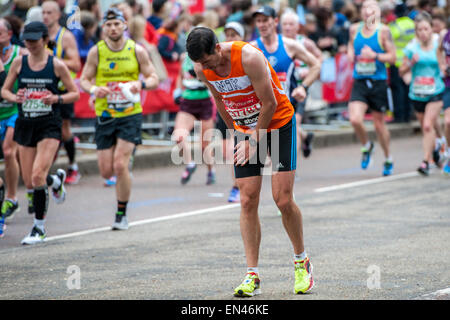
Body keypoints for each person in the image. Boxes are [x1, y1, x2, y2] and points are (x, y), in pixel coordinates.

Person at [186, 26, 316, 297]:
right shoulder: (202, 68)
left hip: (278, 123)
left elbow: (269, 104)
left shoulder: (248, 58)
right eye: (201, 63)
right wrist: (237, 133)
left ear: (218, 48)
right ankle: (252, 275)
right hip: (245, 129)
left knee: (282, 198)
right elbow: (220, 100)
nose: (206, 67)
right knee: (247, 199)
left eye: (209, 61)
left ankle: (301, 261)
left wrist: (253, 142)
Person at [80, 8, 159, 231]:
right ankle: (123, 168)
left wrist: (140, 84)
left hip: (129, 114)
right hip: (104, 114)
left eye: (117, 24)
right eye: (109, 24)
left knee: (119, 164)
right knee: (106, 171)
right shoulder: (97, 51)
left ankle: (121, 214)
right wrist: (95, 89)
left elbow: (153, 77)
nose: (113, 28)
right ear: (103, 27)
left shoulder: (137, 50)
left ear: (125, 25)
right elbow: (84, 80)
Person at [1, 21, 79, 244]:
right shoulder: (19, 62)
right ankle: (55, 181)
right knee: (30, 179)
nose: (31, 44)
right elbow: (5, 90)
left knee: (36, 176)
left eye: (35, 40)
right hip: (26, 123)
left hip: (49, 124)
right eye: (28, 41)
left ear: (45, 40)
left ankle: (39, 228)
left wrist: (56, 98)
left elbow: (74, 93)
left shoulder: (56, 65)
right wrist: (15, 97)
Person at [347, 0, 396, 176]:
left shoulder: (383, 31)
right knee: (354, 119)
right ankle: (367, 145)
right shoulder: (354, 29)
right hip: (360, 80)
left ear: (378, 12)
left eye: (372, 8)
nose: (368, 12)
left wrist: (374, 55)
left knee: (379, 124)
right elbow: (351, 45)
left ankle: (388, 158)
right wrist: (350, 52)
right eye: (365, 8)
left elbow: (392, 57)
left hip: (378, 82)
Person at [400, 12, 445, 176]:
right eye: (419, 30)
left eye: (426, 28)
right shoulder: (411, 47)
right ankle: (440, 142)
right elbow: (401, 70)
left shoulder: (437, 44)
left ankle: (426, 161)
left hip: (437, 90)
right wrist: (411, 63)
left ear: (431, 28)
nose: (423, 32)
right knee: (429, 126)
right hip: (417, 92)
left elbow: (443, 63)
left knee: (427, 125)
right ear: (416, 31)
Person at [42, 1, 82, 185]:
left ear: (58, 15)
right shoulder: (38, 36)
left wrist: (53, 60)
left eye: (49, 12)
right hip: (42, 90)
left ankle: (73, 166)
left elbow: (76, 64)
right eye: (43, 12)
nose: (45, 16)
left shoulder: (65, 37)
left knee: (64, 129)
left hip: (63, 89)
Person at [280, 9, 322, 160]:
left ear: (298, 26)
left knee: (294, 124)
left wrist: (308, 71)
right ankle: (306, 137)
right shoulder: (276, 43)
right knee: (285, 125)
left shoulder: (305, 43)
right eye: (285, 24)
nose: (288, 27)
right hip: (281, 90)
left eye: (291, 24)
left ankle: (292, 164)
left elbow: (319, 59)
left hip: (299, 89)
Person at [172, 42, 216, 185]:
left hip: (204, 101)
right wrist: (177, 91)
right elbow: (180, 75)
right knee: (179, 136)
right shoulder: (184, 57)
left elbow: (214, 77)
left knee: (204, 145)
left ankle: (211, 170)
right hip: (188, 101)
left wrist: (200, 76)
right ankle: (190, 163)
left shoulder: (207, 58)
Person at [0, 18, 27, 220]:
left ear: (9, 34)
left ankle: (11, 197)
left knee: (9, 151)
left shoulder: (20, 54)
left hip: (14, 110)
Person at [218, 21, 246, 202]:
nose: (230, 39)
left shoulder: (248, 56)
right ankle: (236, 186)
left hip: (250, 111)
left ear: (241, 38)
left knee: (269, 153)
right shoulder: (217, 60)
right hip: (229, 111)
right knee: (231, 152)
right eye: (227, 35)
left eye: (234, 35)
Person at [439, 25, 450, 174]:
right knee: (448, 121)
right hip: (449, 84)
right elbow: (438, 51)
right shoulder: (445, 34)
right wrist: (442, 65)